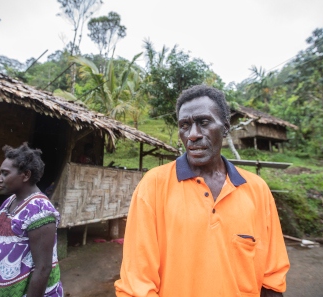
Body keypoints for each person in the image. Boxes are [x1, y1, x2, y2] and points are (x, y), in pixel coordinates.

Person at [114, 85, 290, 297]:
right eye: (184, 125)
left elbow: (272, 275)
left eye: (203, 122)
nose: (193, 135)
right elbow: (137, 283)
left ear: (225, 127)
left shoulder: (256, 189)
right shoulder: (153, 186)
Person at [0, 143, 63, 297]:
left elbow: (43, 269)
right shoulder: (10, 201)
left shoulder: (40, 211)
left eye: (5, 174)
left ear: (25, 175)